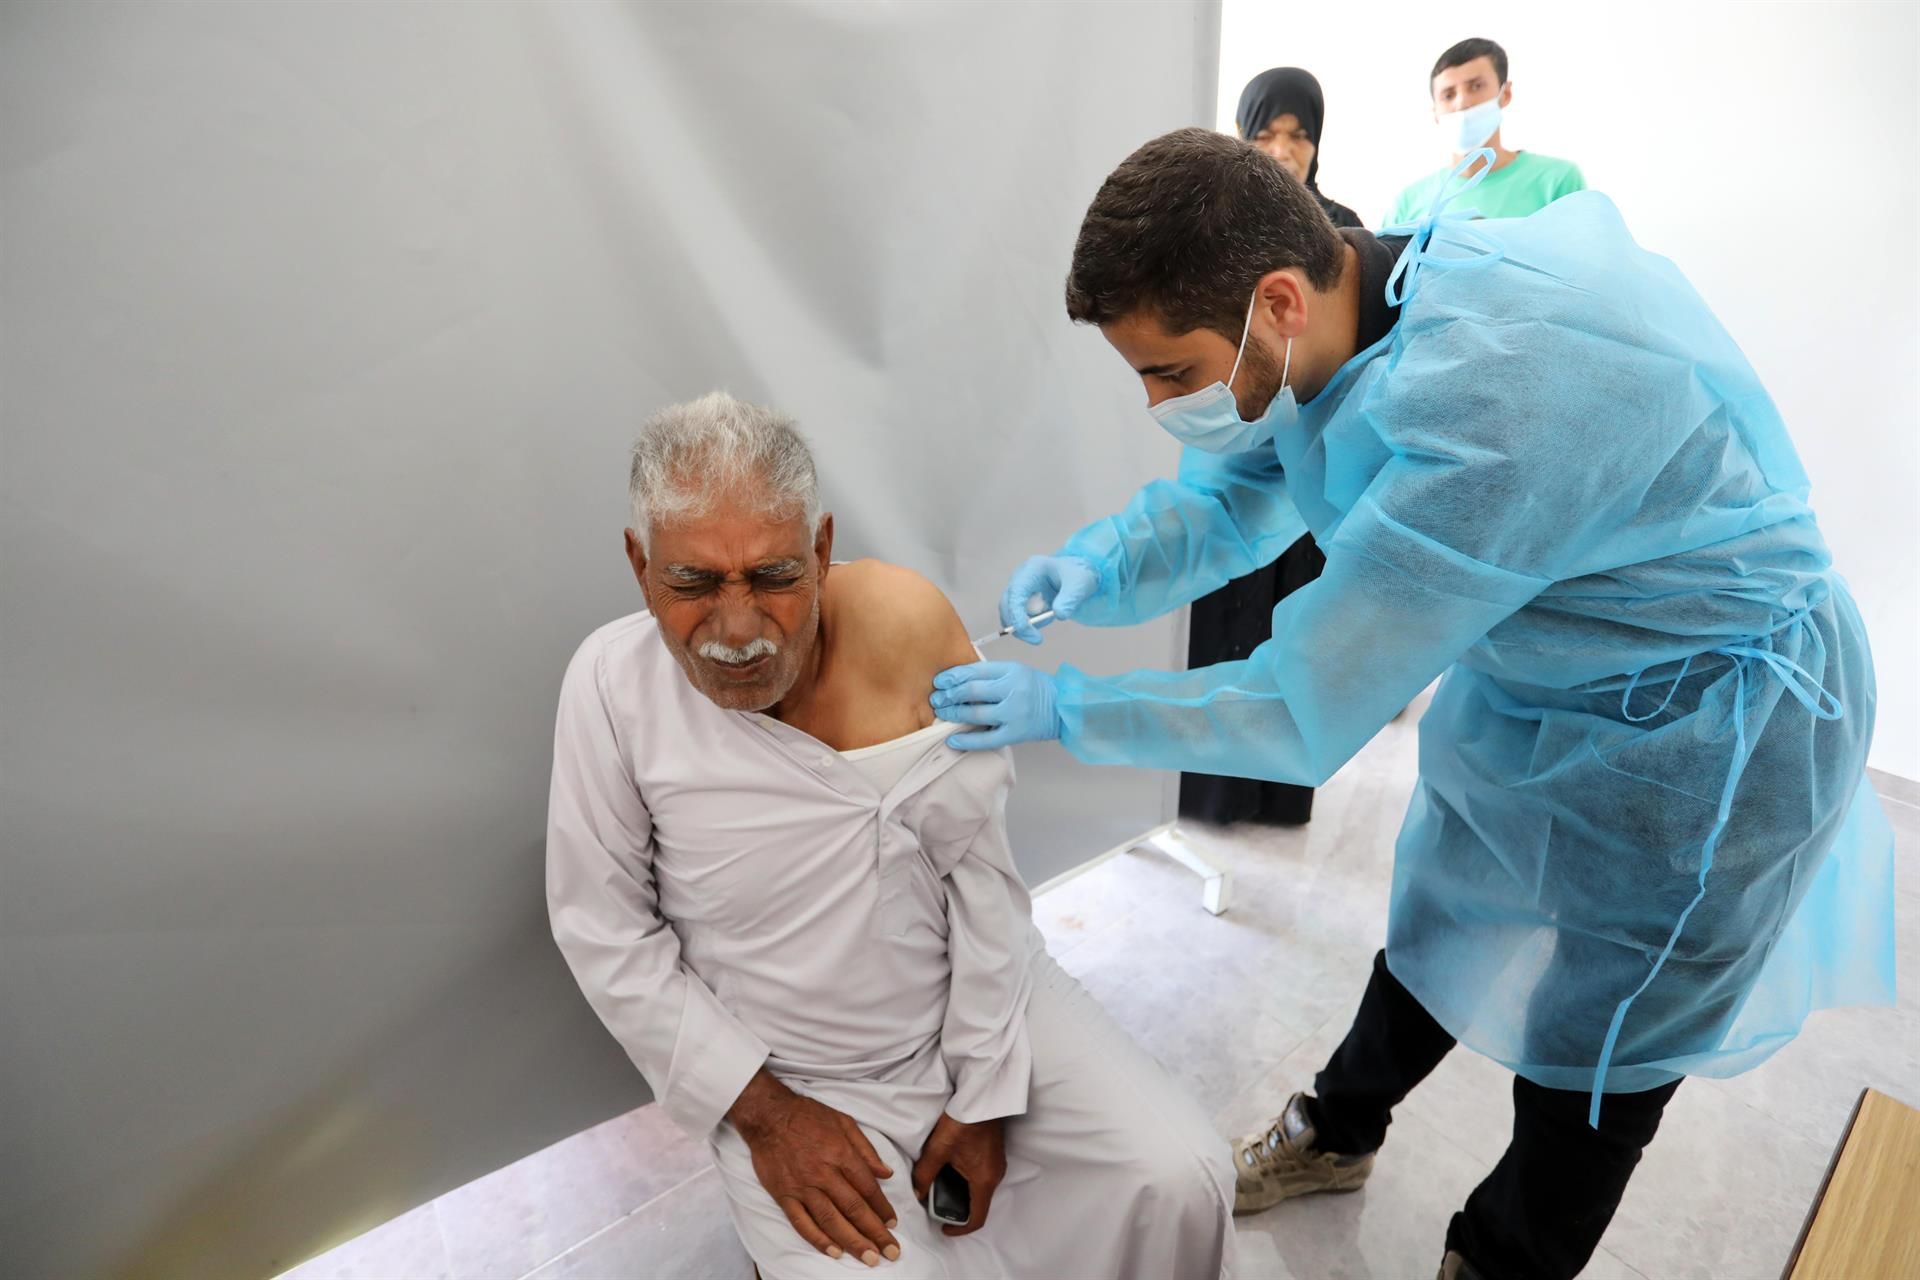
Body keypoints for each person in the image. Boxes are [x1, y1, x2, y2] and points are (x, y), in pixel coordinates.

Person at [929, 131, 1895, 1280]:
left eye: (1169, 374)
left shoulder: (1494, 406)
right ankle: (1339, 1130)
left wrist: (1070, 708)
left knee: (1599, 1049)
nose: (1155, 404)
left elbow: (1294, 706)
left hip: (1712, 730)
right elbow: (1248, 486)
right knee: (1445, 914)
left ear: (1277, 298)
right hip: (1542, 671)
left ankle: (1497, 1259)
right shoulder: (1352, 308)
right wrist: (1100, 561)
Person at [545, 392, 1235, 1280]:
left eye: (774, 577)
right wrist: (766, 1114)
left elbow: (982, 878)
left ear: (822, 549)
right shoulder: (610, 687)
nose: (739, 629)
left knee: (1180, 1177)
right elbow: (606, 932)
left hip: (983, 1001)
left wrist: (985, 1090)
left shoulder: (905, 621)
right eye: (692, 584)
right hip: (792, 1069)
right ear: (641, 566)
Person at [1174, 66, 1355, 831]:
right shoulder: (1209, 231)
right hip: (1231, 457)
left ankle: (1276, 797)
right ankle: (1207, 795)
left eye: (1298, 135)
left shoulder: (1341, 234)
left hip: (1309, 467)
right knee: (1218, 623)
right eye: (1265, 133)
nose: (1283, 150)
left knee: (1294, 629)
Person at [1385, 37, 1585, 227]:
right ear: (1435, 112)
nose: (1462, 102)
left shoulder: (1557, 181)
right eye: (1448, 95)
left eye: (1476, 86)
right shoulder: (1408, 203)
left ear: (1505, 93)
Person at [1238, 67, 1362, 229]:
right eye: (1264, 137)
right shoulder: (1215, 222)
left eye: (1298, 137)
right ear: (1242, 138)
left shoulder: (1344, 230)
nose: (1282, 153)